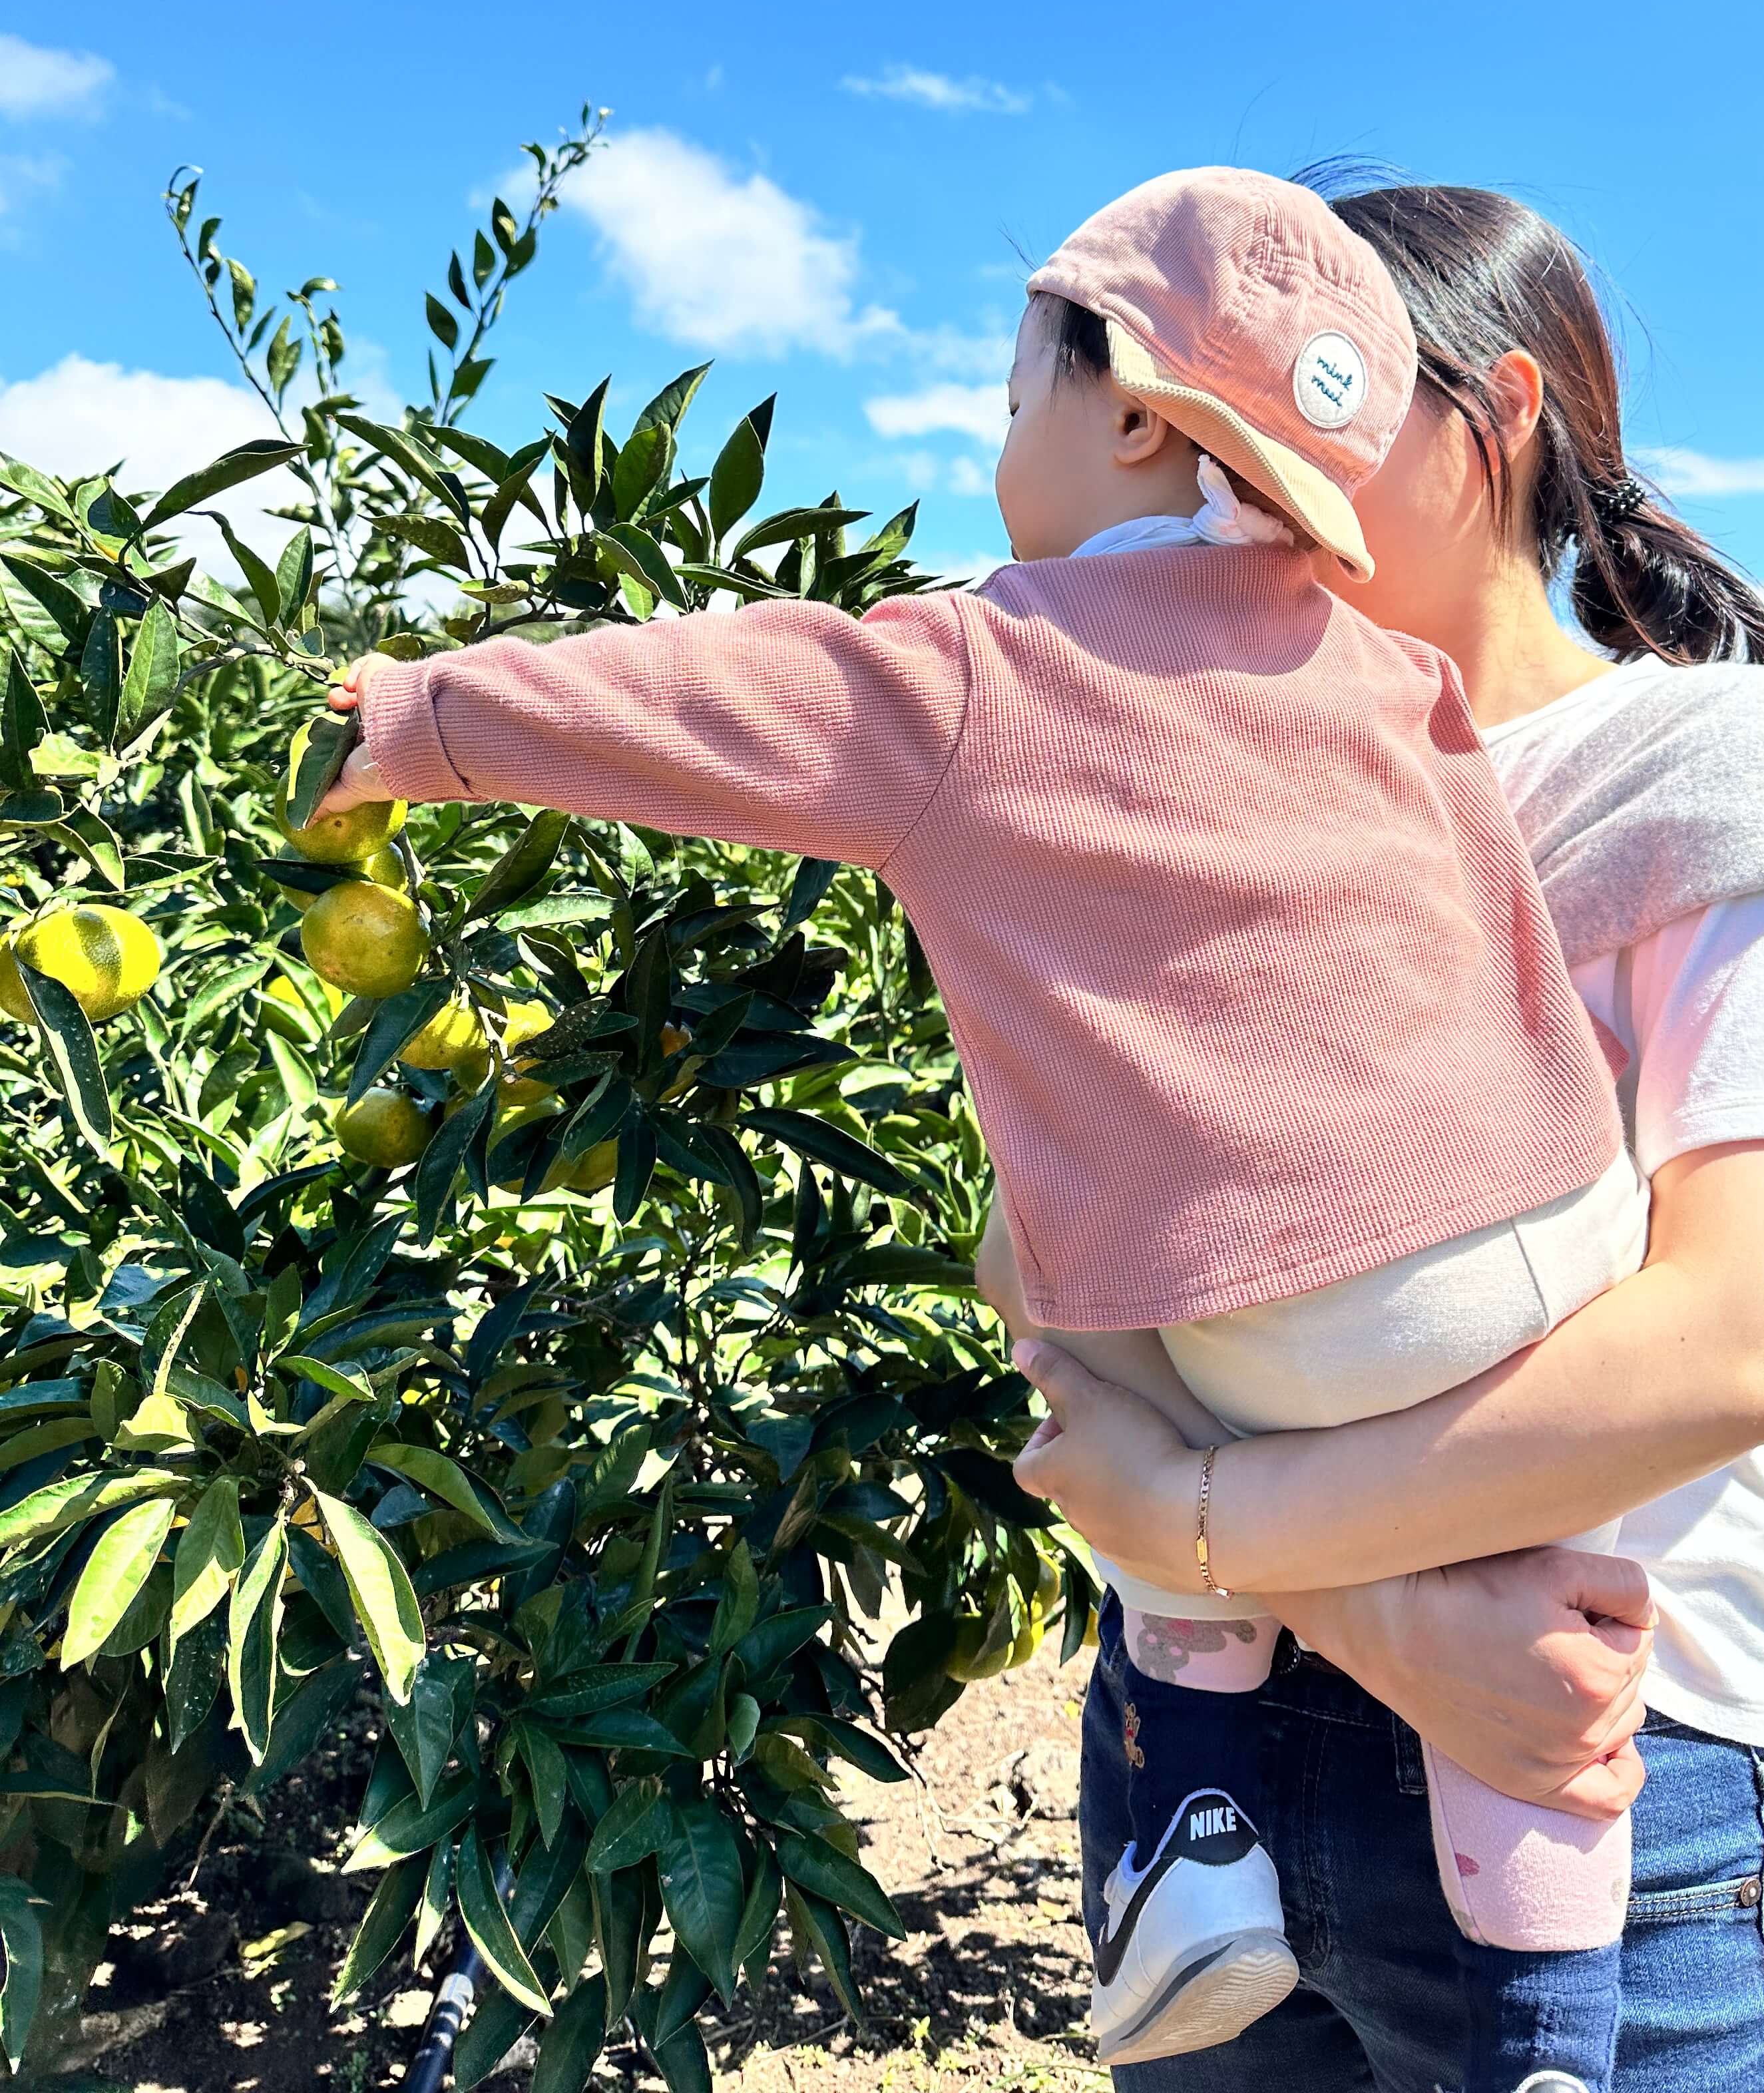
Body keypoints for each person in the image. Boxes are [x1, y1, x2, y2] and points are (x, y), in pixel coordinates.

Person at [318, 168, 1660, 2093]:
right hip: (1559, 1231)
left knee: (1072, 1286)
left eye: (1013, 384)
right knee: (1543, 1642)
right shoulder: (1383, 667)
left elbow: (694, 701)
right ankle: (1554, 2035)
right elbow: (1488, 924)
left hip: (1301, 1311)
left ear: (1131, 409)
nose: (992, 434)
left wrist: (418, 718)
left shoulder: (982, 668)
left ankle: (1194, 1823)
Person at [1009, 176, 1764, 2093]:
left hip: (1623, 1763)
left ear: (1499, 414)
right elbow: (1069, 1257)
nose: (1228, 470)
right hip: (1206, 1753)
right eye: (1199, 418)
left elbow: (1739, 1342)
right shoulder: (1190, 806)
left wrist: (1206, 1526)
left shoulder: (1720, 773)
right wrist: (1354, 1608)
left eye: (1299, 396)